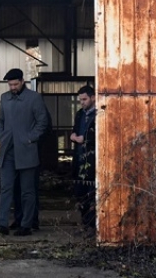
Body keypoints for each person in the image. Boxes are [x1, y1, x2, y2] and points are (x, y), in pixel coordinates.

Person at [0, 68, 49, 236]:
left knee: (27, 190)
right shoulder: (5, 98)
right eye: (10, 85)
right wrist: (1, 136)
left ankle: (26, 225)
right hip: (8, 151)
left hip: (26, 150)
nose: (12, 87)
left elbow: (43, 122)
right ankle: (1, 225)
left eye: (15, 84)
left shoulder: (34, 98)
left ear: (22, 81)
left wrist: (30, 138)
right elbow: (0, 121)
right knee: (6, 189)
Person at [11, 111, 54, 231]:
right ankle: (21, 218)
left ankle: (30, 220)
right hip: (18, 153)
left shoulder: (36, 107)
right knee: (18, 187)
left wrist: (32, 141)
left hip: (31, 154)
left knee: (29, 188)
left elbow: (45, 129)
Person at [71, 85, 97, 236]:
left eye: (85, 99)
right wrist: (74, 136)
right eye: (80, 100)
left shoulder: (99, 114)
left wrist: (85, 139)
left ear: (93, 97)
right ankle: (85, 224)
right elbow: (75, 129)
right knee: (80, 194)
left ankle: (93, 226)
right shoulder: (80, 114)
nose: (82, 102)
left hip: (92, 159)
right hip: (80, 159)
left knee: (91, 193)